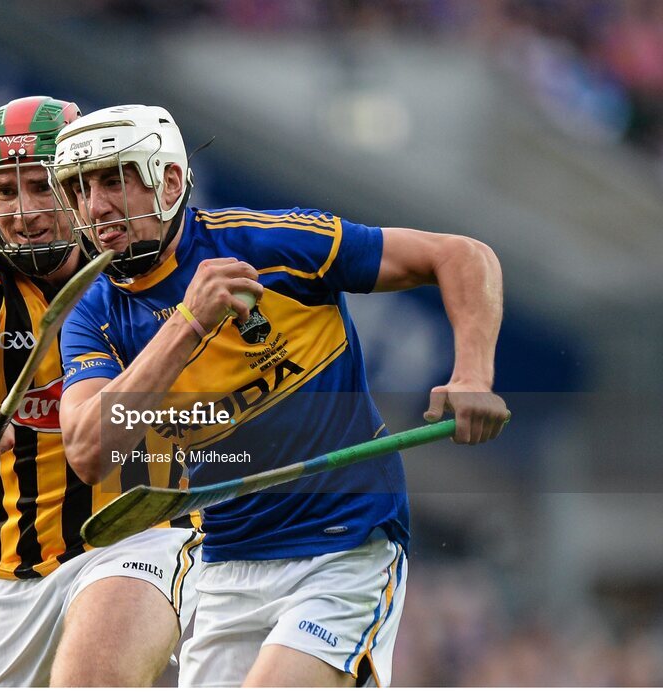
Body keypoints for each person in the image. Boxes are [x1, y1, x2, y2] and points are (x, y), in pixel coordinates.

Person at [50, 104, 510, 687]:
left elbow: (460, 255)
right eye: (80, 188)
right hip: (224, 562)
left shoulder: (269, 243)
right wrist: (188, 322)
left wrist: (473, 375)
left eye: (114, 180)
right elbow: (91, 452)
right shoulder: (90, 316)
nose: (96, 207)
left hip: (343, 547)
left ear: (168, 180)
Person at [0, 96, 202, 687]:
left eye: (42, 188)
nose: (25, 213)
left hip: (142, 533)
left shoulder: (143, 262)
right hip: (18, 571)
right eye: (5, 191)